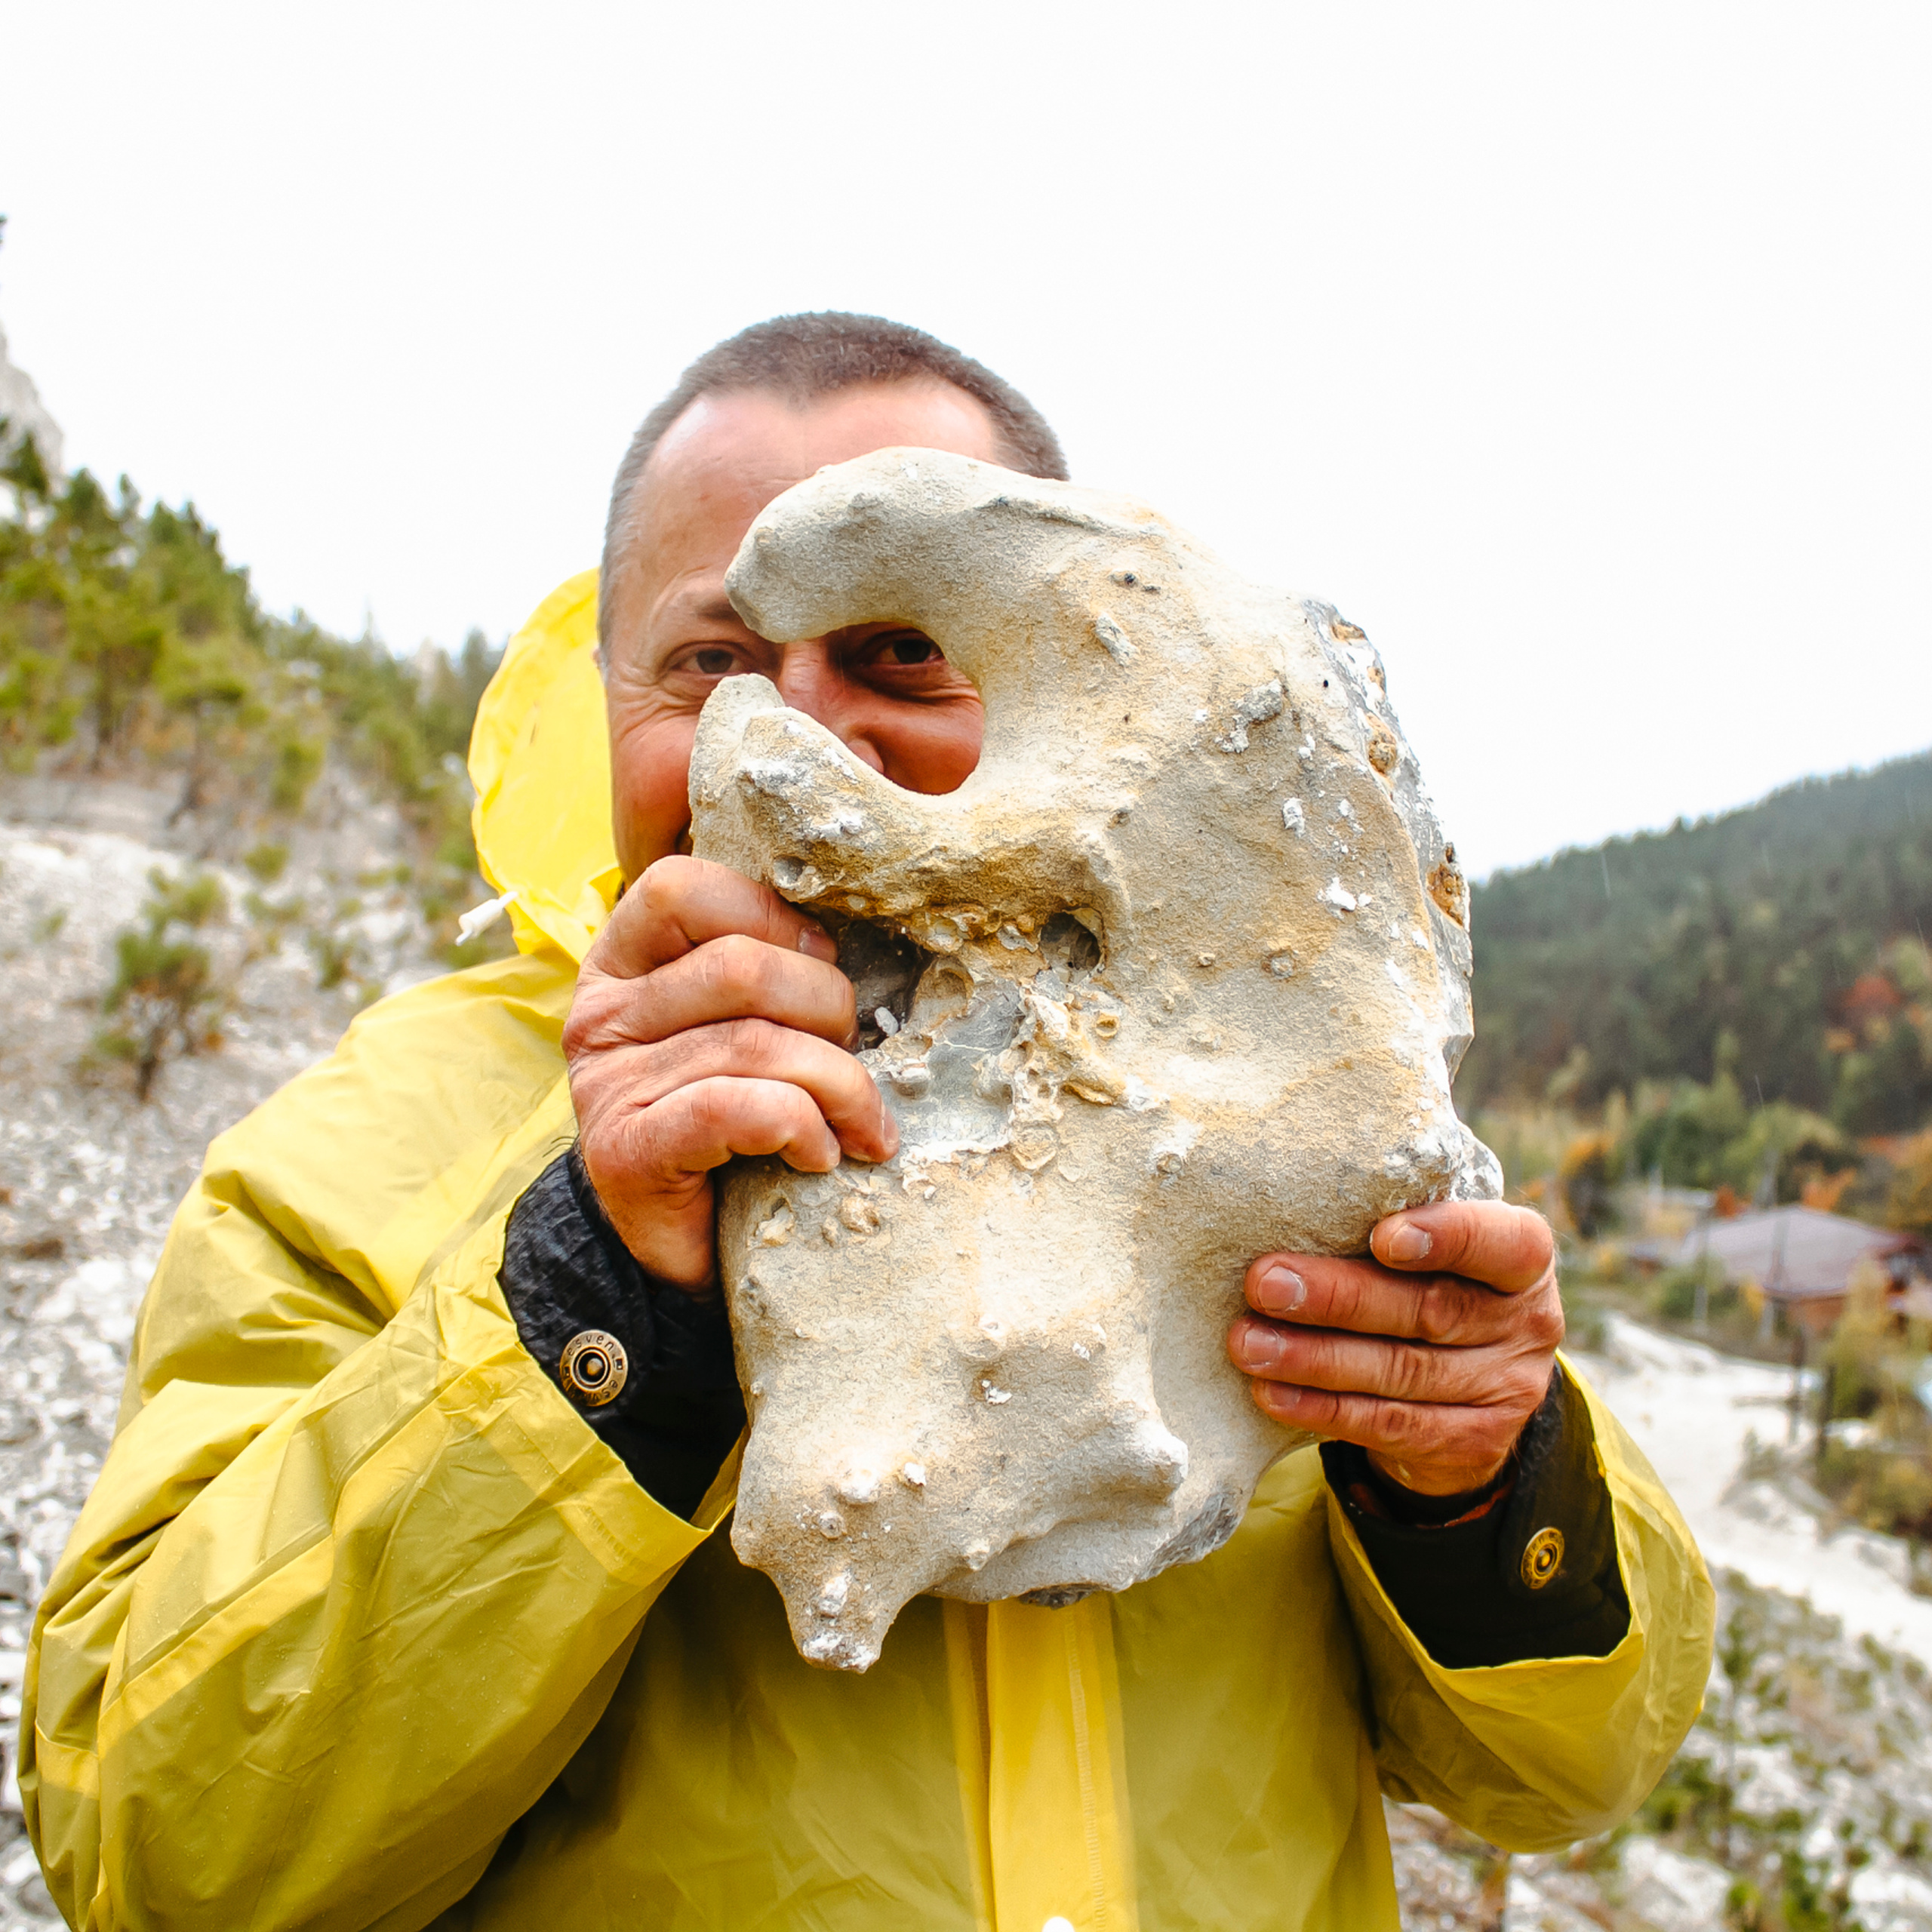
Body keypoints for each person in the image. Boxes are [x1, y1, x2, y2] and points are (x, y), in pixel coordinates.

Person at [22, 313, 1713, 1931]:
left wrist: (1478, 1482)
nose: (800, 739)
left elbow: (1567, 1772)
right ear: (600, 696)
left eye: (905, 646)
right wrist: (592, 1306)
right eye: (713, 663)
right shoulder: (363, 1149)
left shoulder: (1260, 1124)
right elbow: (156, 1853)